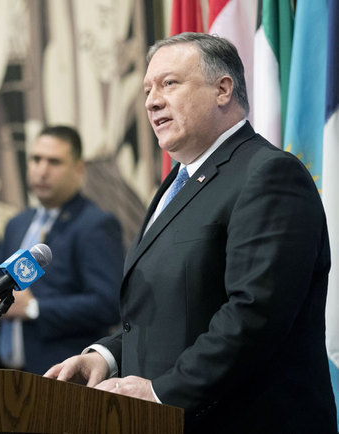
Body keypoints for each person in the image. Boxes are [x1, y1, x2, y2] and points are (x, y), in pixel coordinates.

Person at [44, 33, 337, 434]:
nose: (151, 100)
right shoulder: (177, 183)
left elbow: (254, 314)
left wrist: (163, 393)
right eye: (147, 89)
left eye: (169, 84)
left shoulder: (268, 174)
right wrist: (107, 357)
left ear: (223, 89)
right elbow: (177, 313)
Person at [0, 125, 124, 375]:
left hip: (60, 376)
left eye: (54, 162)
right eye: (36, 159)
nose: (42, 171)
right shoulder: (17, 224)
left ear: (79, 169)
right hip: (4, 372)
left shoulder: (95, 224)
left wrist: (34, 309)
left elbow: (108, 304)